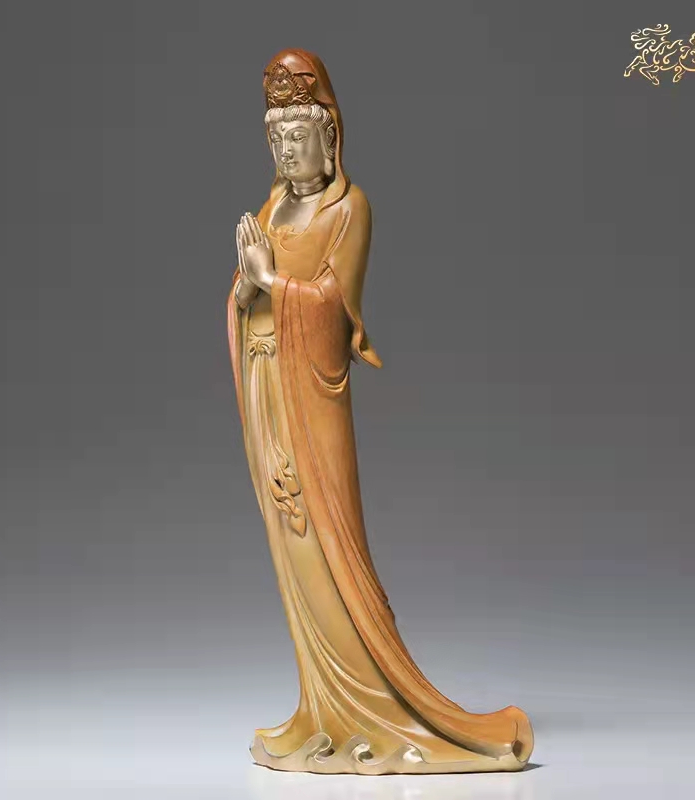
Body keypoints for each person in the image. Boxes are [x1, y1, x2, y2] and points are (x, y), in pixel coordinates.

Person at [227, 48, 533, 775]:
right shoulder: (270, 209)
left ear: (329, 136)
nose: (288, 149)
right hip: (269, 387)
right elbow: (247, 296)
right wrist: (244, 290)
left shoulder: (348, 209)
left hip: (310, 395)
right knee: (290, 550)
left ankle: (373, 710)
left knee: (327, 545)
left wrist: (271, 280)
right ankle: (321, 711)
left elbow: (333, 311)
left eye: (300, 135)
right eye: (278, 138)